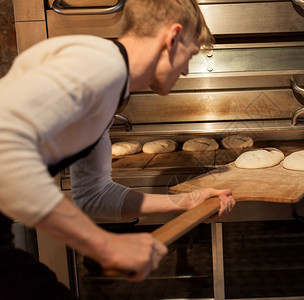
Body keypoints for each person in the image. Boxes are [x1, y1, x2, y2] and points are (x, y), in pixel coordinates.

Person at [0, 0, 235, 298]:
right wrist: (106, 246)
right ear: (172, 37)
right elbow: (4, 152)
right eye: (189, 55)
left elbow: (92, 195)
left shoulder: (109, 89)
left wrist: (186, 202)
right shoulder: (99, 65)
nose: (186, 71)